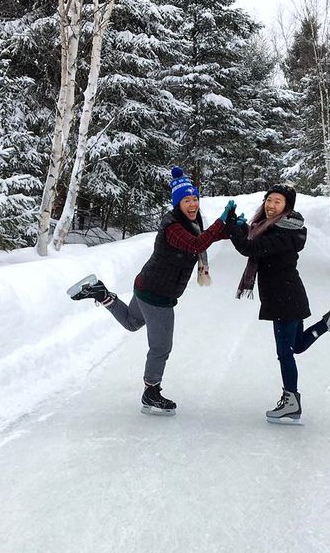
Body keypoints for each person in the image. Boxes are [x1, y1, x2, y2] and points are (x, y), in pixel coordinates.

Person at [67, 167, 235, 415]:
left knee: (133, 322)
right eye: (187, 200)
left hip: (146, 284)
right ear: (177, 203)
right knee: (161, 348)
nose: (193, 204)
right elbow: (197, 244)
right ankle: (151, 392)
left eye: (195, 199)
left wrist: (231, 229)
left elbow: (203, 238)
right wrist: (221, 223)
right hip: (158, 294)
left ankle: (101, 293)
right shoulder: (172, 227)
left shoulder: (190, 223)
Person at [225, 183, 330, 424]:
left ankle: (291, 402)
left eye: (277, 201)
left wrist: (231, 227)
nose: (271, 205)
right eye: (269, 200)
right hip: (287, 295)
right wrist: (238, 224)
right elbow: (254, 238)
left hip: (284, 298)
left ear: (286, 206)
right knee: (295, 346)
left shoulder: (285, 232)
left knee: (286, 353)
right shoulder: (274, 226)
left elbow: (250, 247)